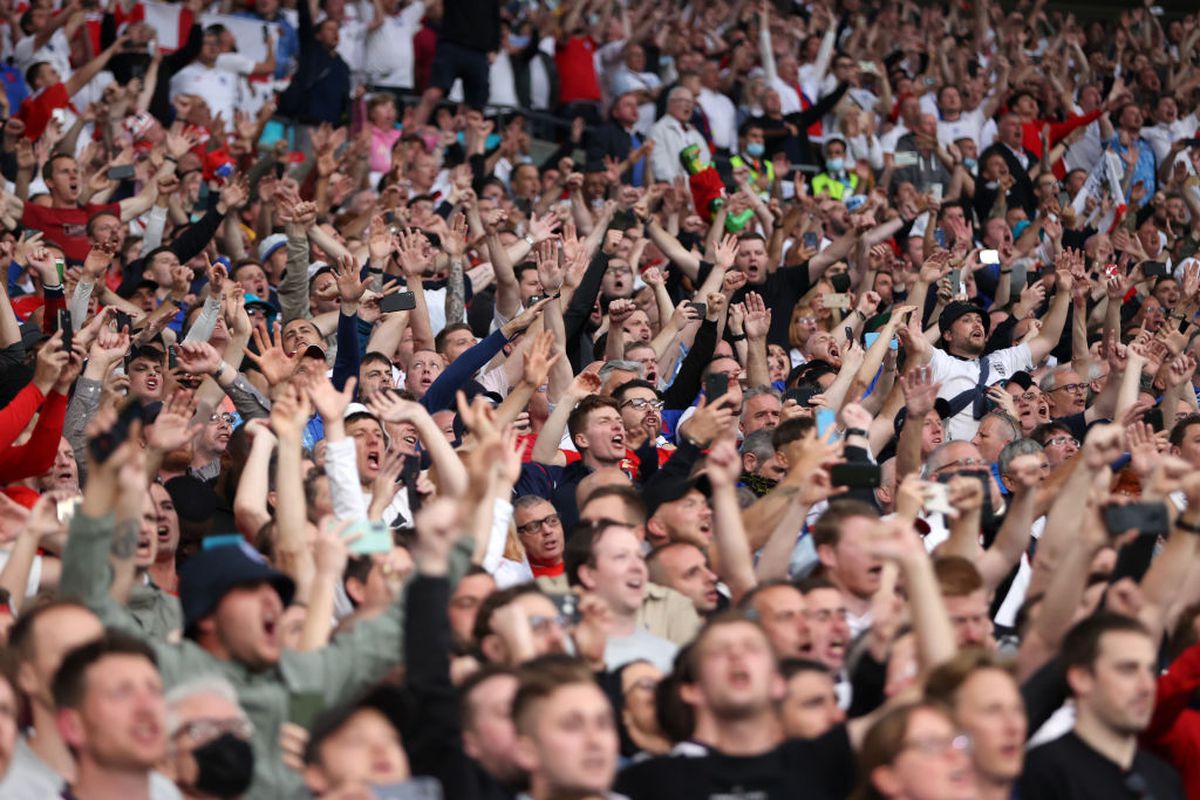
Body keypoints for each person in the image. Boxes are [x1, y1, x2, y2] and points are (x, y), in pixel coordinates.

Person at [1019, 613, 1185, 799]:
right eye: (1128, 669)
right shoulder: (1043, 771)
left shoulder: (1165, 779)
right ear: (1082, 678)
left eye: (1150, 670)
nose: (1147, 686)